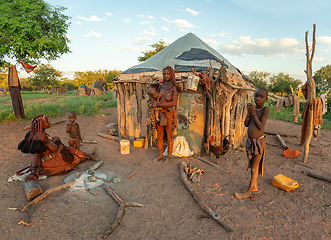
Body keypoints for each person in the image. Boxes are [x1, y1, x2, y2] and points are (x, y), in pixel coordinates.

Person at [17, 114, 98, 183]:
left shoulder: (33, 133)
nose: (49, 122)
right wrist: (57, 142)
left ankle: (91, 156)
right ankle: (91, 157)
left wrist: (51, 141)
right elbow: (53, 150)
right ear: (41, 125)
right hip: (49, 161)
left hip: (44, 160)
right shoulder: (42, 136)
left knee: (70, 149)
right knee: (73, 156)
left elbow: (38, 151)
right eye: (47, 122)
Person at [235, 87, 270, 199]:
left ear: (266, 99)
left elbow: (260, 126)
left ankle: (249, 191)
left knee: (255, 167)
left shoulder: (265, 110)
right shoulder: (252, 109)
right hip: (250, 142)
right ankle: (254, 186)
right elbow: (246, 124)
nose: (258, 99)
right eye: (256, 96)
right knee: (251, 165)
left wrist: (254, 113)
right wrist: (249, 113)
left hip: (259, 142)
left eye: (261, 97)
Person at [151, 66, 181, 163]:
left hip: (169, 114)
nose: (166, 75)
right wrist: (150, 102)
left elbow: (173, 103)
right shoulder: (161, 86)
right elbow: (155, 97)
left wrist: (159, 104)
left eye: (168, 74)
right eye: (164, 74)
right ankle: (160, 155)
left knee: (169, 136)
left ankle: (168, 157)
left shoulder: (174, 88)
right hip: (160, 114)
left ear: (171, 74)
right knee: (159, 135)